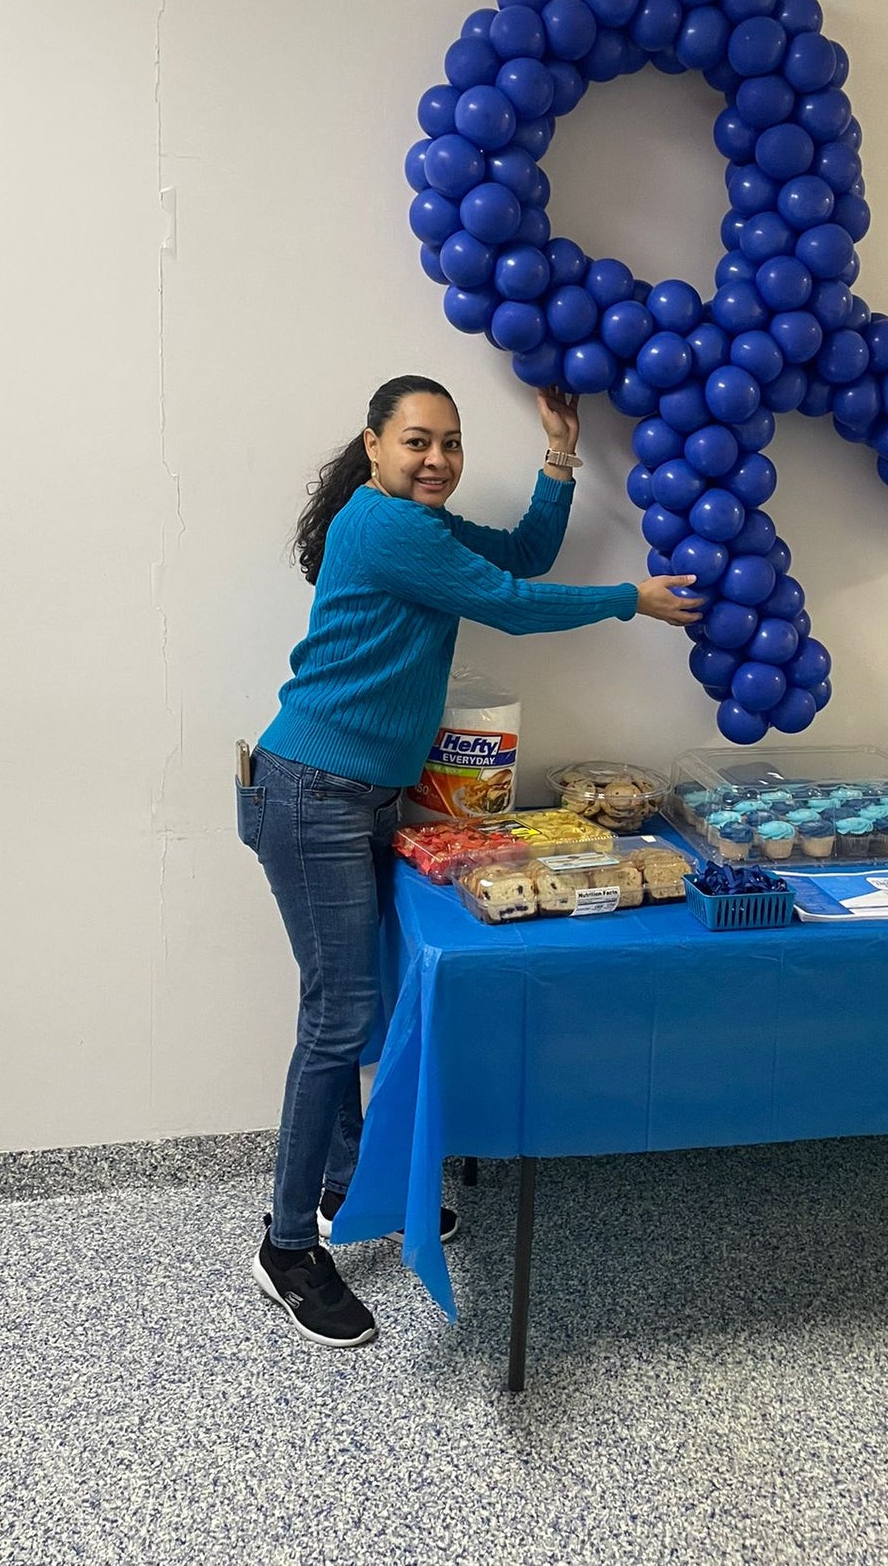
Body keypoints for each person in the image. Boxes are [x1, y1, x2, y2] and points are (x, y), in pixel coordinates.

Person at [239, 373, 702, 1348]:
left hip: (354, 796)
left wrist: (559, 452)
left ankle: (340, 1189)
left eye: (450, 443)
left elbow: (523, 551)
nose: (437, 459)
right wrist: (634, 598)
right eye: (417, 441)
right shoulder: (384, 528)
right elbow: (515, 601)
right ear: (372, 445)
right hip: (311, 792)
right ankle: (285, 1247)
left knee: (345, 1004)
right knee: (337, 1019)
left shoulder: (424, 528)